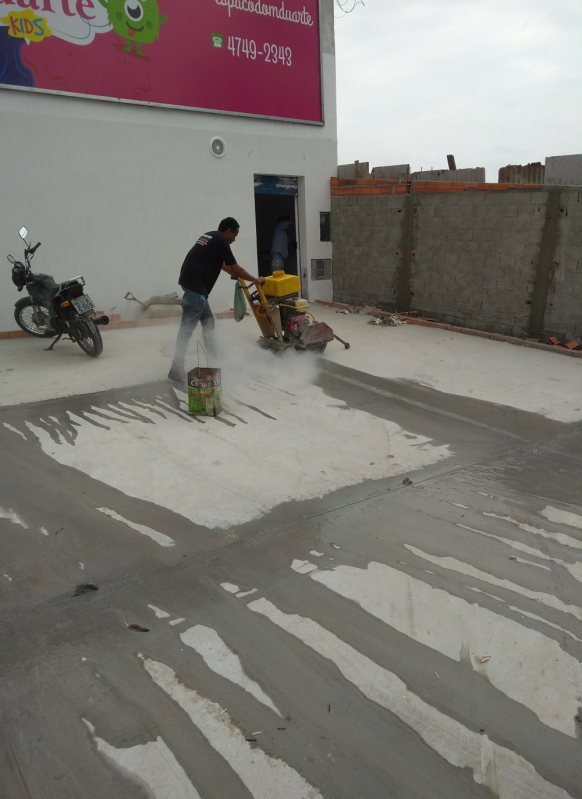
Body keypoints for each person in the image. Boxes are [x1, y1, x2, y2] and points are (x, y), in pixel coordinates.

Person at [168, 217, 265, 382]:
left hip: (191, 284)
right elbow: (237, 268)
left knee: (208, 323)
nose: (235, 239)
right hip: (196, 289)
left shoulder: (210, 236)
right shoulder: (222, 242)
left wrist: (232, 274)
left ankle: (214, 360)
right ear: (228, 231)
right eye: (235, 235)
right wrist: (256, 280)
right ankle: (176, 368)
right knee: (186, 329)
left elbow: (221, 264)